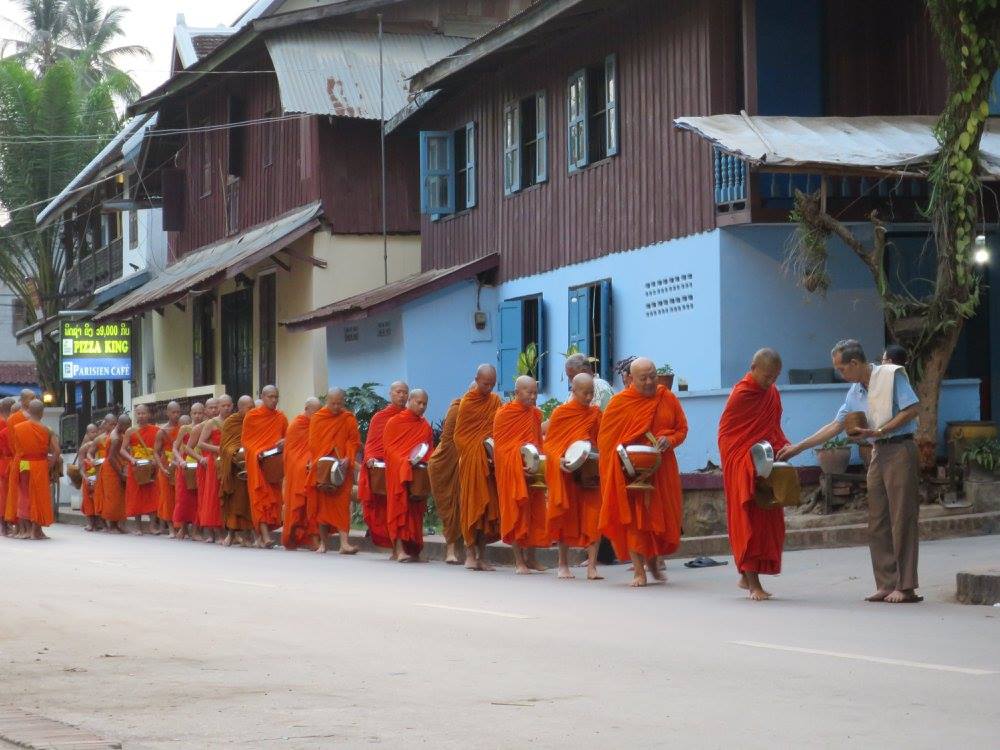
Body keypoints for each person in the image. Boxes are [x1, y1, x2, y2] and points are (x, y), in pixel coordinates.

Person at [778, 339, 922, 604]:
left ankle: (906, 586)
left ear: (855, 363)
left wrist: (881, 430)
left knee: (902, 517)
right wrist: (797, 448)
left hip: (900, 448)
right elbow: (836, 425)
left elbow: (913, 409)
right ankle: (886, 583)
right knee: (877, 519)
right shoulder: (855, 392)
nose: (840, 374)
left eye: (842, 369)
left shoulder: (889, 376)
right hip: (878, 452)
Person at [598, 358, 688, 587]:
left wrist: (671, 439)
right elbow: (607, 441)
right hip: (630, 471)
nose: (649, 382)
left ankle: (654, 563)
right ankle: (639, 571)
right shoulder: (620, 403)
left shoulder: (667, 397)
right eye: (643, 378)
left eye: (653, 376)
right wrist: (623, 463)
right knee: (635, 520)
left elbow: (682, 429)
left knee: (662, 518)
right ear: (630, 379)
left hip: (662, 468)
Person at [718, 348, 790, 601]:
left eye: (775, 377)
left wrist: (783, 447)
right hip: (741, 462)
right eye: (767, 376)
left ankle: (745, 576)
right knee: (747, 520)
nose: (770, 382)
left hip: (762, 460)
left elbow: (773, 428)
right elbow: (728, 436)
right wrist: (746, 461)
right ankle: (753, 584)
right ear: (753, 367)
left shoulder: (771, 393)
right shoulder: (742, 393)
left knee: (769, 519)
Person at [544, 373, 603, 580]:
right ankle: (563, 564)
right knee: (565, 517)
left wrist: (595, 456)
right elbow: (550, 444)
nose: (589, 397)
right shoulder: (561, 413)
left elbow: (601, 440)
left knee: (594, 518)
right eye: (585, 393)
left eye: (591, 393)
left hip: (589, 472)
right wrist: (557, 459)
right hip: (567, 472)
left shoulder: (595, 414)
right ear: (574, 390)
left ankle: (592, 567)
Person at [494, 375, 548, 575]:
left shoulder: (535, 415)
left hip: (531, 470)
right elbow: (501, 448)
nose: (533, 396)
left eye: (535, 392)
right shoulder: (504, 414)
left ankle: (532, 558)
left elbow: (537, 442)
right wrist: (518, 461)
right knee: (515, 513)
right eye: (529, 392)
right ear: (517, 392)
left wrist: (538, 464)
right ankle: (519, 561)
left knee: (534, 513)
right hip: (512, 471)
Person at [455, 364, 503, 571]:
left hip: (490, 462)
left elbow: (498, 429)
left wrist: (491, 450)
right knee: (472, 506)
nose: (489, 388)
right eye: (485, 383)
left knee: (488, 509)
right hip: (472, 463)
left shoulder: (495, 401)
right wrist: (477, 452)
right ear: (476, 379)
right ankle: (470, 553)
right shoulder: (467, 403)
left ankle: (483, 555)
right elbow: (460, 436)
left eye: (493, 384)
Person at [383, 389, 436, 563]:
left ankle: (414, 550)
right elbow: (389, 449)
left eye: (425, 404)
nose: (422, 407)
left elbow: (428, 449)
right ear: (410, 401)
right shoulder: (394, 422)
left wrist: (425, 463)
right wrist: (405, 462)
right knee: (398, 510)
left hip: (417, 475)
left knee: (415, 513)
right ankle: (398, 550)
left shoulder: (425, 426)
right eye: (418, 402)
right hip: (398, 473)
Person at [358, 381, 408, 556]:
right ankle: (397, 548)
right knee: (388, 510)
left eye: (404, 392)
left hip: (404, 471)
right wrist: (370, 458)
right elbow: (371, 444)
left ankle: (405, 548)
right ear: (390, 393)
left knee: (405, 510)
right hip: (385, 471)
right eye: (398, 392)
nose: (401, 395)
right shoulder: (380, 418)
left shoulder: (411, 418)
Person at [309, 388, 360, 554]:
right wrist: (326, 455)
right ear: (327, 401)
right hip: (323, 468)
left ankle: (344, 544)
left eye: (339, 403)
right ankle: (324, 544)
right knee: (323, 506)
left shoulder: (348, 418)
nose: (336, 407)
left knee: (342, 504)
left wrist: (348, 457)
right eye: (333, 403)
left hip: (341, 469)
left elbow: (353, 442)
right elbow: (314, 444)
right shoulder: (318, 418)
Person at [243, 386, 288, 548]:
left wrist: (284, 442)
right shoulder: (252, 416)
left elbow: (287, 437)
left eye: (276, 397)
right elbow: (246, 442)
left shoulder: (281, 417)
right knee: (259, 499)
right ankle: (266, 536)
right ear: (262, 397)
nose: (274, 400)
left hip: (273, 464)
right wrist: (258, 452)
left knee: (274, 500)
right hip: (257, 463)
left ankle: (261, 537)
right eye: (270, 396)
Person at [13, 400, 60, 540]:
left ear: (28, 410)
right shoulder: (46, 430)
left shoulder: (18, 427)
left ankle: (25, 530)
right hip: (39, 464)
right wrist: (50, 464)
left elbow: (17, 449)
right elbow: (56, 451)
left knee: (24, 495)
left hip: (24, 464)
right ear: (42, 413)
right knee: (38, 497)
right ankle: (36, 531)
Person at [427, 395, 463, 564]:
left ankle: (472, 553)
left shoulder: (488, 406)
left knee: (467, 507)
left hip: (468, 463)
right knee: (450, 507)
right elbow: (449, 440)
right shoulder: (457, 408)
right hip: (445, 463)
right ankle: (450, 550)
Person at [282, 397, 321, 551]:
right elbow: (292, 452)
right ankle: (292, 537)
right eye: (315, 411)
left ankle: (312, 538)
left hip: (313, 468)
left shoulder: (317, 423)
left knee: (313, 506)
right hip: (299, 470)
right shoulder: (297, 424)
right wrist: (305, 463)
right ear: (307, 409)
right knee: (299, 506)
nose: (318, 414)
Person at [219, 395, 255, 547]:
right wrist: (235, 453)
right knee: (234, 503)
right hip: (234, 469)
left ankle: (247, 537)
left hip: (251, 468)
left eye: (253, 407)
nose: (252, 411)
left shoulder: (255, 421)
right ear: (240, 408)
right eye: (249, 408)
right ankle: (231, 535)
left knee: (248, 503)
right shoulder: (231, 422)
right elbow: (225, 446)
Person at [121, 404, 160, 535]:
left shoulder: (156, 430)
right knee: (135, 496)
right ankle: (138, 527)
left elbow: (159, 449)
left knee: (152, 495)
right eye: (139, 413)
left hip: (151, 467)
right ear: (135, 415)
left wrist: (156, 460)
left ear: (149, 414)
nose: (141, 416)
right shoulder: (130, 431)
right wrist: (131, 459)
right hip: (136, 467)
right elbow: (122, 449)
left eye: (144, 413)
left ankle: (152, 526)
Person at [195, 397, 228, 543]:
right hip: (214, 464)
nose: (223, 408)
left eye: (228, 405)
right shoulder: (210, 424)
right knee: (214, 496)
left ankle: (231, 532)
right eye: (222, 405)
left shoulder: (233, 421)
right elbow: (200, 444)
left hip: (229, 462)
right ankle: (217, 532)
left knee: (227, 496)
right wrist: (219, 449)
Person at [4, 389, 33, 531]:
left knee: (32, 493)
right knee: (21, 493)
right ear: (22, 400)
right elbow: (11, 444)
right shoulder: (12, 420)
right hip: (22, 459)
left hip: (35, 460)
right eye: (31, 398)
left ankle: (34, 525)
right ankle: (21, 526)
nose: (33, 400)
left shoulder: (35, 416)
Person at [172, 405, 201, 541]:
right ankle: (183, 528)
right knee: (183, 499)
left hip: (200, 466)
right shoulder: (185, 429)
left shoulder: (205, 427)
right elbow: (175, 448)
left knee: (197, 500)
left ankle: (195, 531)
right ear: (191, 414)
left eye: (200, 413)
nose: (197, 416)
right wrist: (179, 460)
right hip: (185, 467)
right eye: (195, 413)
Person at [98, 414, 130, 534]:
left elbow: (119, 453)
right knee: (112, 497)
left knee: (119, 497)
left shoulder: (119, 434)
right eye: (126, 426)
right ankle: (111, 525)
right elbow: (111, 457)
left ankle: (118, 524)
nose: (128, 429)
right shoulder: (115, 437)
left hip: (117, 465)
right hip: (111, 469)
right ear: (120, 425)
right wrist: (120, 473)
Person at [154, 402, 182, 537]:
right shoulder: (162, 431)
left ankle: (181, 527)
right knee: (168, 498)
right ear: (167, 413)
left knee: (180, 497)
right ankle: (171, 528)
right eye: (173, 412)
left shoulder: (184, 427)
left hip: (180, 464)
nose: (176, 415)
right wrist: (161, 468)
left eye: (178, 412)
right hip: (166, 466)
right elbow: (156, 452)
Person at [85, 414, 116, 527]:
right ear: (106, 425)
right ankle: (106, 523)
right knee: (104, 495)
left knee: (115, 496)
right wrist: (92, 460)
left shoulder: (118, 436)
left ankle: (117, 523)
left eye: (114, 424)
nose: (113, 426)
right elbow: (89, 453)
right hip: (102, 469)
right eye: (111, 424)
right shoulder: (100, 439)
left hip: (115, 468)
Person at [75, 422, 100, 532]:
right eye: (91, 432)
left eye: (96, 432)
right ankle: (90, 523)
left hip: (99, 476)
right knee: (88, 501)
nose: (94, 434)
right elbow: (80, 466)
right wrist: (85, 477)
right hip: (88, 476)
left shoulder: (101, 444)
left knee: (99, 499)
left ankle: (99, 522)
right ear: (87, 434)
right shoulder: (84, 448)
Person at [0, 398, 16, 536]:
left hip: (3, 462)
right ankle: (5, 525)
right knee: (6, 496)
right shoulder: (5, 424)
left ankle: (5, 525)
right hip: (7, 462)